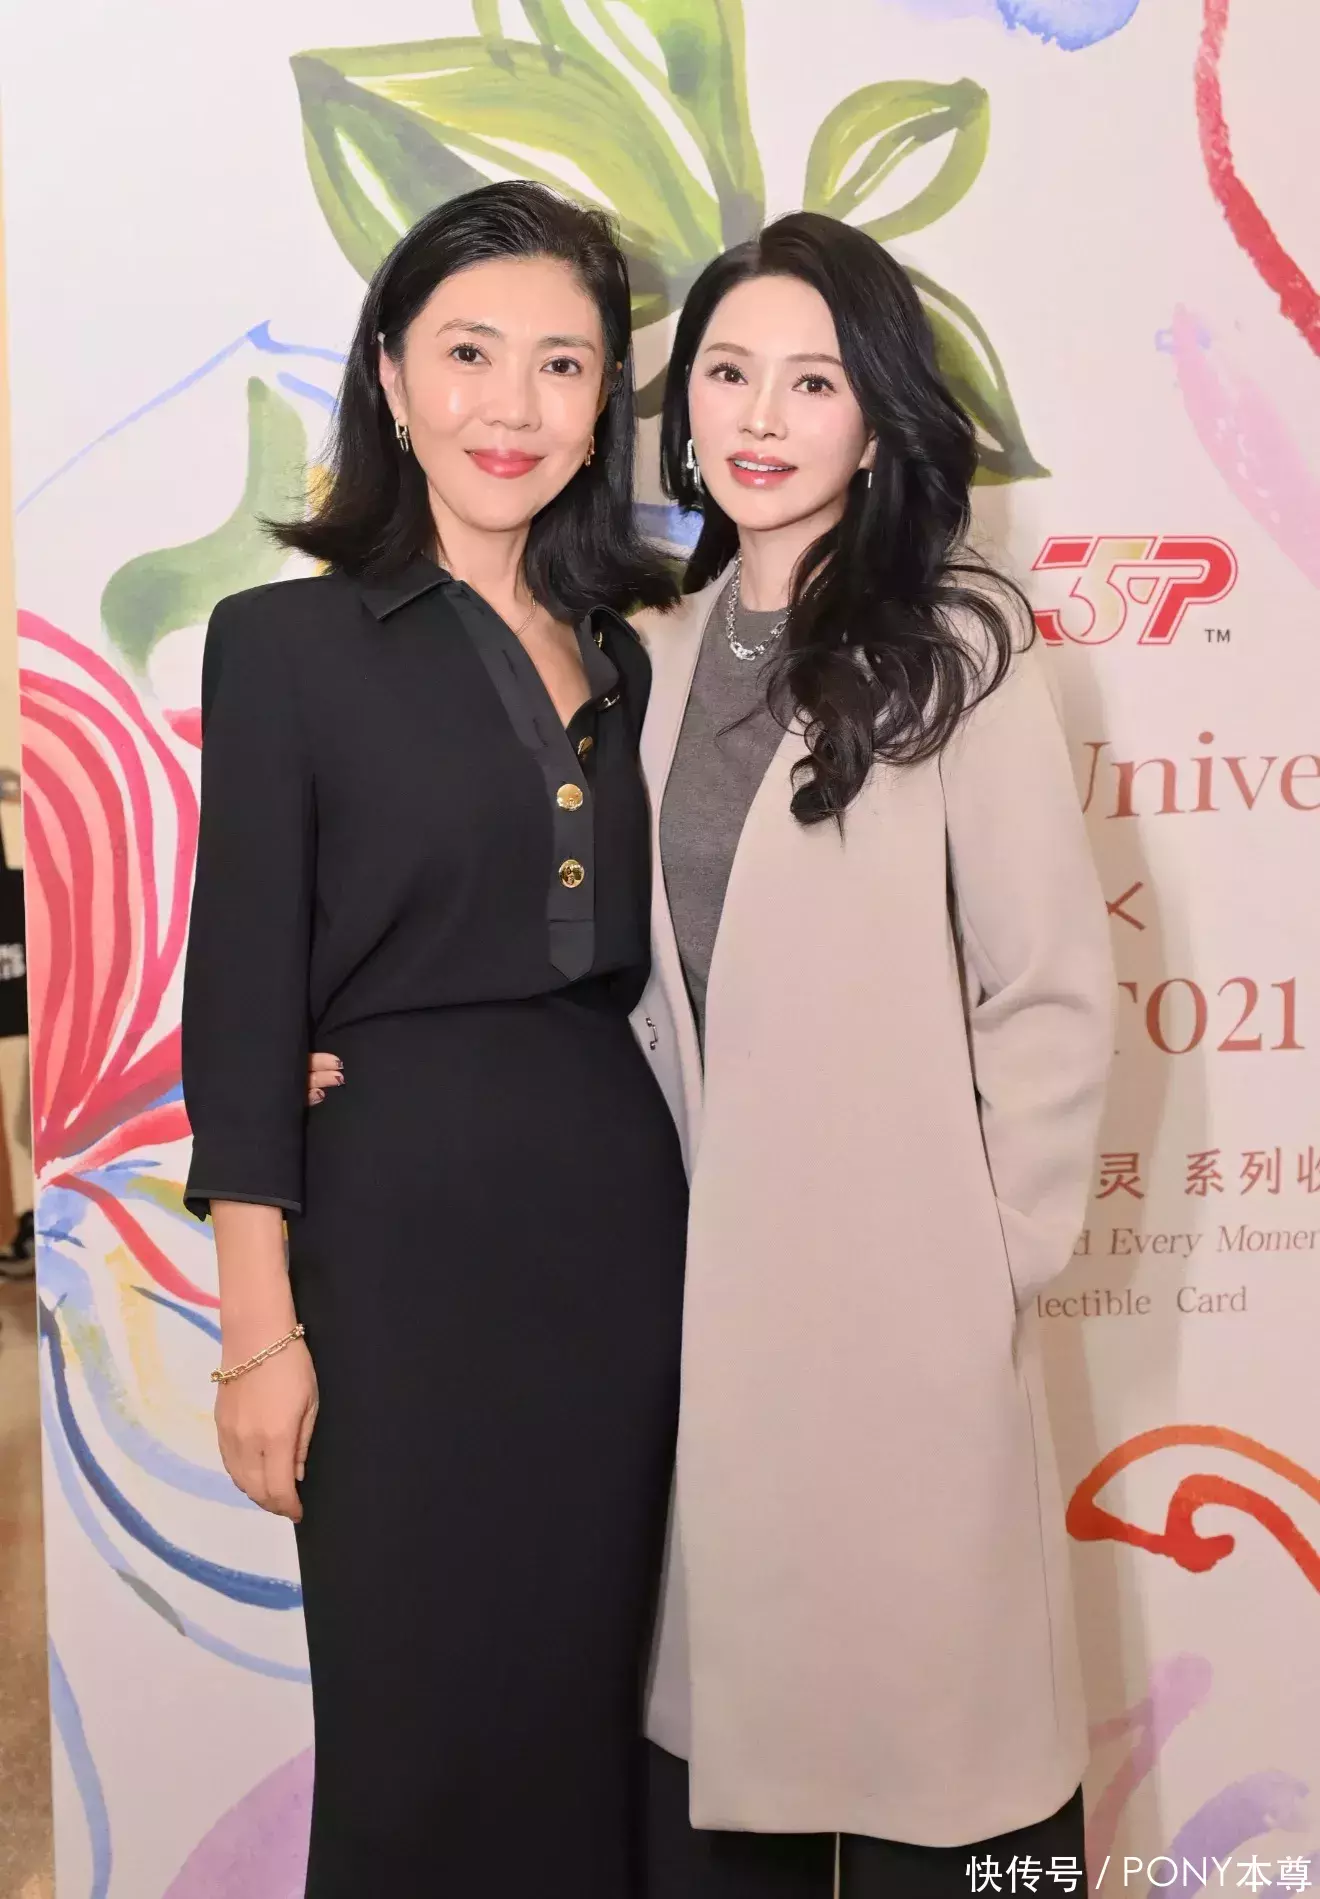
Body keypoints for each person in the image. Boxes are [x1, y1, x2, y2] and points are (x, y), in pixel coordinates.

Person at [308, 211, 1114, 1893]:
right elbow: (556, 931)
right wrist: (348, 1044)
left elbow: (1049, 992)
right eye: (729, 373)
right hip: (696, 1312)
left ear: (877, 421)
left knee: (941, 1764)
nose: (759, 415)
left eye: (812, 381)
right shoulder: (649, 652)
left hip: (903, 1313)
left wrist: (989, 1260)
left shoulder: (962, 647)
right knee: (724, 1767)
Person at [181, 181, 686, 1899]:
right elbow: (241, 999)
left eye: (562, 363)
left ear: (603, 403)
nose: (512, 404)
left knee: (595, 1713)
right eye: (469, 353)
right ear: (392, 378)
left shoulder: (637, 654)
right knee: (415, 1734)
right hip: (392, 1252)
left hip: (621, 1237)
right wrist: (260, 1334)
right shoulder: (283, 644)